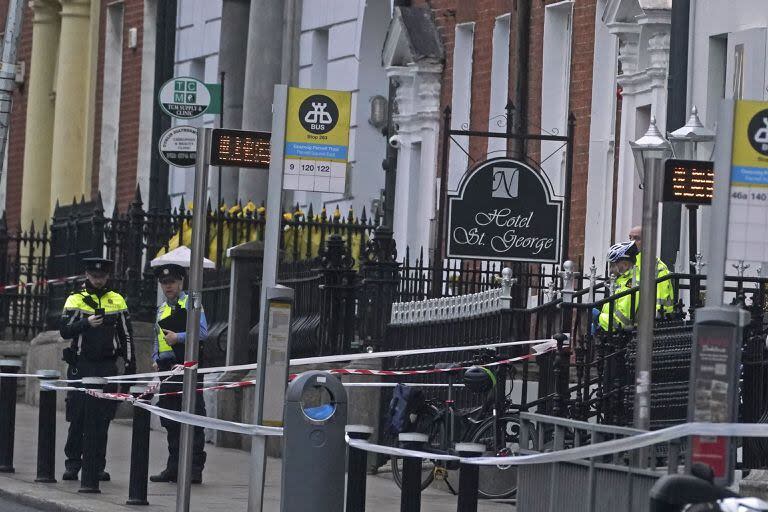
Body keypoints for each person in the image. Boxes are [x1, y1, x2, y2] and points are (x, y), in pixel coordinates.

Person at [60, 257, 135, 481]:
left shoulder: (118, 300)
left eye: (102, 277)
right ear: (87, 275)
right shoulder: (76, 299)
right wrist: (86, 323)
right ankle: (73, 464)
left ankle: (97, 465)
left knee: (103, 418)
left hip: (106, 365)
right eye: (94, 276)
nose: (98, 280)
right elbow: (64, 331)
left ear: (108, 277)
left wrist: (130, 367)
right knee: (78, 417)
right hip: (82, 364)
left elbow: (126, 336)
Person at [150, 263, 207, 484]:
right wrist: (156, 358)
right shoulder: (161, 309)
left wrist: (179, 338)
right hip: (167, 370)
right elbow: (157, 336)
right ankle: (173, 467)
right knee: (170, 419)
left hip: (188, 367)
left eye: (172, 282)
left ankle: (194, 468)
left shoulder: (191, 302)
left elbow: (202, 333)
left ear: (181, 282)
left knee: (193, 416)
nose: (168, 286)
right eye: (164, 283)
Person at [628, 225, 675, 315]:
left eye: (637, 238)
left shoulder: (657, 267)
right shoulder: (628, 263)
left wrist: (656, 318)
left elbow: (662, 300)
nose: (632, 242)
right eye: (630, 238)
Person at [596, 242, 640, 331]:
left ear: (625, 265)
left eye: (612, 265)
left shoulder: (631, 284)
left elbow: (623, 321)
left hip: (620, 336)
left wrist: (599, 318)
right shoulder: (622, 281)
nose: (610, 270)